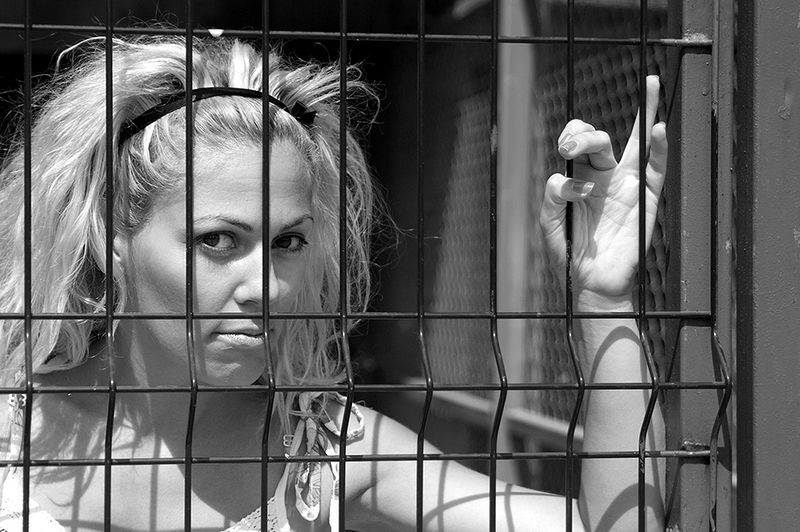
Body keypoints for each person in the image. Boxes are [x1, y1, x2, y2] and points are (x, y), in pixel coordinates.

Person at [0, 36, 666, 531]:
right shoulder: (8, 425)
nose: (266, 287)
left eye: (288, 243)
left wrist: (603, 297)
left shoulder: (326, 447)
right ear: (111, 238)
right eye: (218, 241)